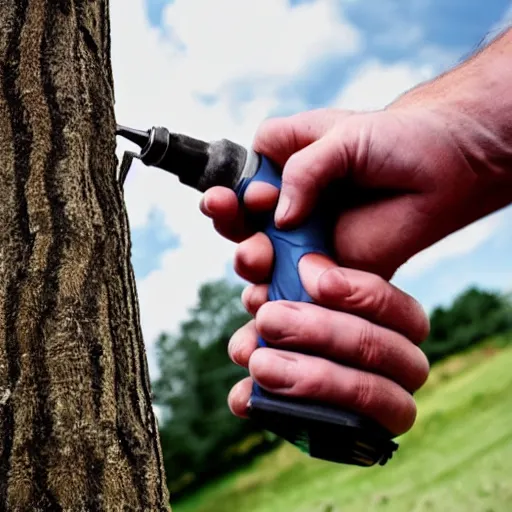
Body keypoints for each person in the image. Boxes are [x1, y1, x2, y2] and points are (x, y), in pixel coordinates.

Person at [199, 28, 512, 437]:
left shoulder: (287, 188)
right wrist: (461, 133)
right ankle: (309, 411)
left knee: (285, 317)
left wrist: (466, 134)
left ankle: (310, 411)